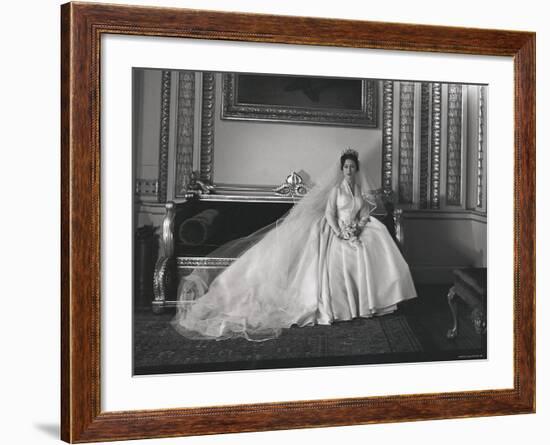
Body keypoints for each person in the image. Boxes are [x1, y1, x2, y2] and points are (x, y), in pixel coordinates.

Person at [171, 149, 417, 341]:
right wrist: (340, 231)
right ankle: (340, 305)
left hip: (353, 229)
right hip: (334, 229)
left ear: (356, 169)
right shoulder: (336, 191)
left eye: (352, 167)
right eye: (346, 167)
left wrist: (358, 226)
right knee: (333, 261)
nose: (350, 171)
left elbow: (363, 212)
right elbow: (330, 214)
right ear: (341, 170)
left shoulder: (359, 193)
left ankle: (372, 303)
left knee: (376, 239)